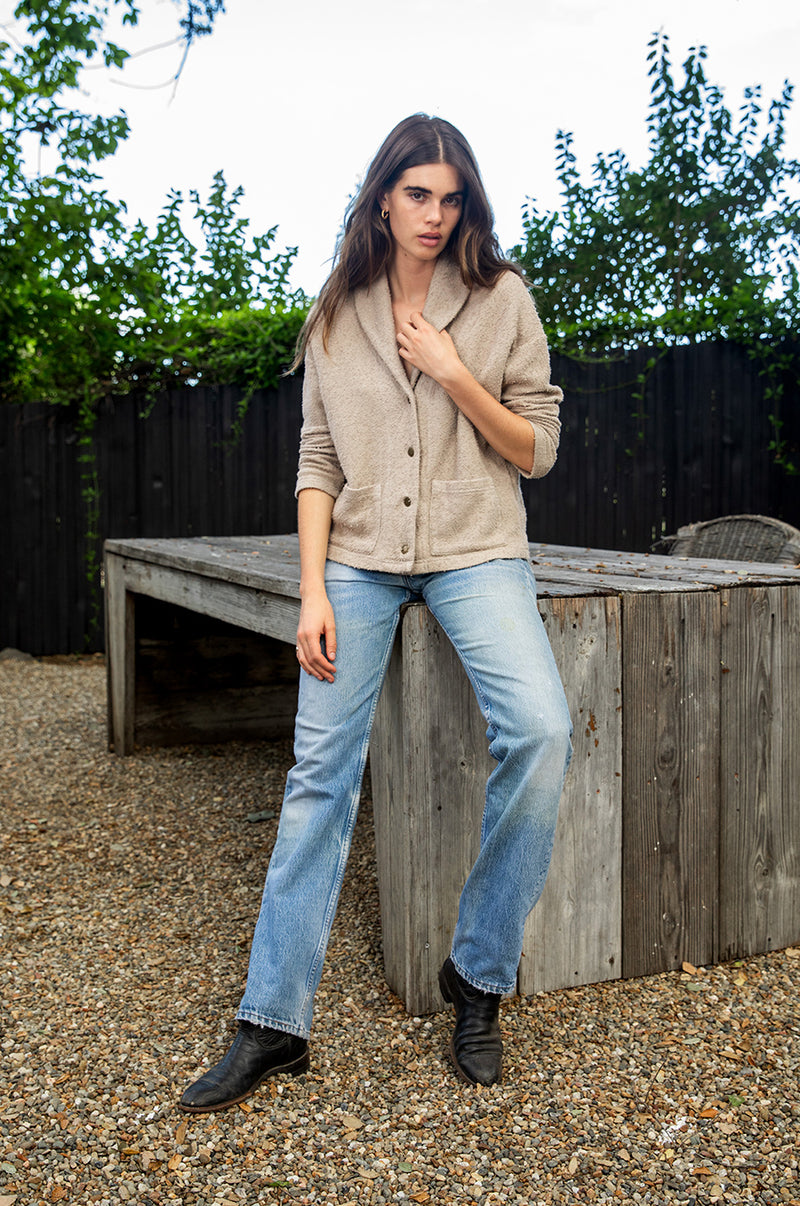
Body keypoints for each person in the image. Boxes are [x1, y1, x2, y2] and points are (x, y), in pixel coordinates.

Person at [179, 113, 572, 1113]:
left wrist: (451, 370)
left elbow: (536, 449)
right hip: (355, 560)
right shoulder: (335, 314)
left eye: (450, 197)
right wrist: (311, 590)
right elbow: (316, 462)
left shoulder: (499, 299)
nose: (435, 215)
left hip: (473, 547)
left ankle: (476, 974)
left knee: (541, 729)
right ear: (382, 197)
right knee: (318, 772)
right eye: (416, 195)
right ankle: (272, 1023)